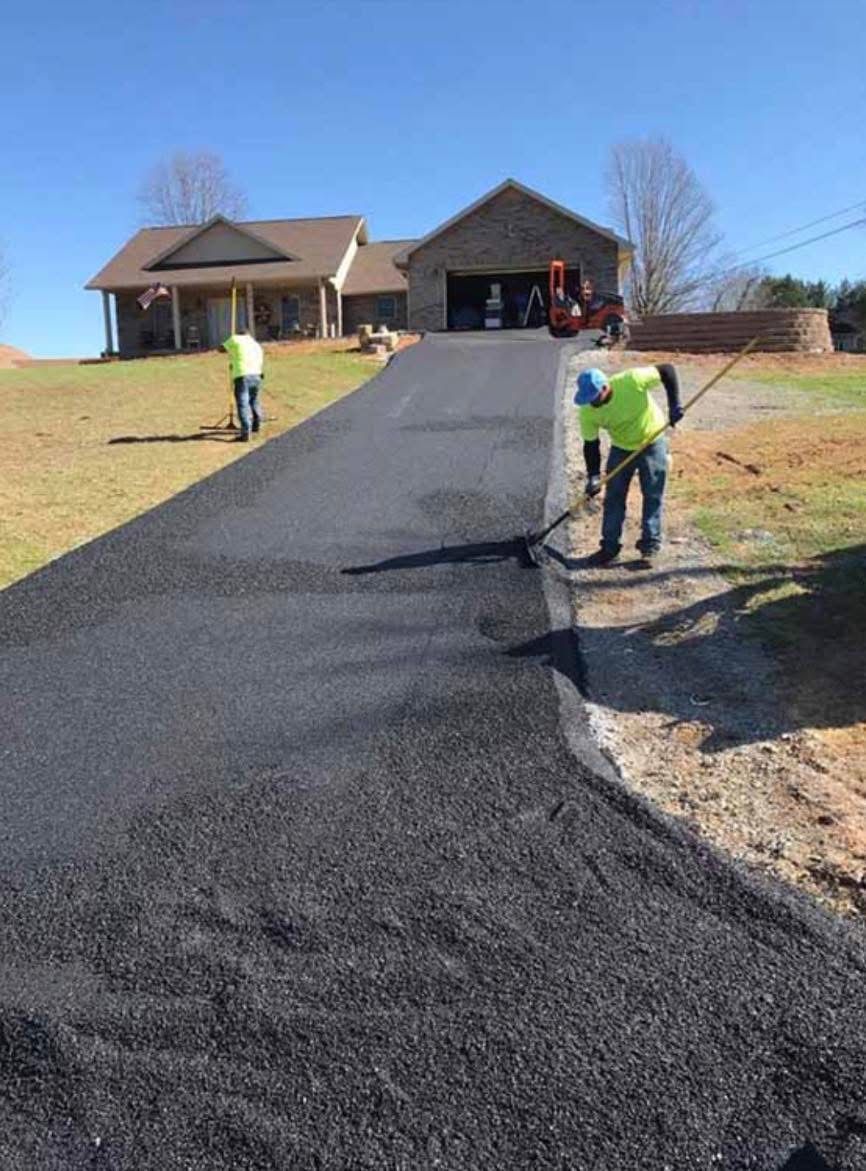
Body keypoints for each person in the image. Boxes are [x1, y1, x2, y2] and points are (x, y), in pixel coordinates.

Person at [575, 364, 684, 565]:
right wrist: (593, 476)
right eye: (587, 399)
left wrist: (674, 405)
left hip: (652, 440)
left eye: (594, 397)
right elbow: (591, 445)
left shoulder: (631, 380)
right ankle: (609, 548)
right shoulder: (587, 412)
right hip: (621, 447)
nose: (592, 403)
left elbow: (667, 370)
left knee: (652, 494)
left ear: (605, 388)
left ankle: (650, 547)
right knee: (613, 497)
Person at [221, 328, 265, 442]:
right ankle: (257, 424)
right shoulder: (256, 344)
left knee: (243, 403)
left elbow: (220, 349)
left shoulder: (235, 339)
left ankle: (245, 433)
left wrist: (230, 347)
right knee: (254, 400)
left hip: (242, 375)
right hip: (257, 375)